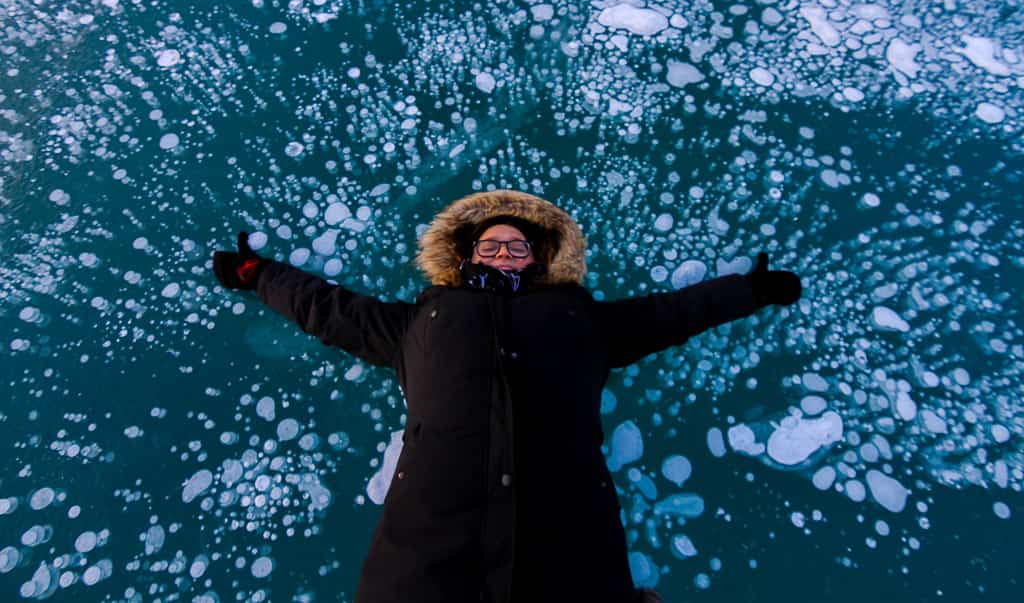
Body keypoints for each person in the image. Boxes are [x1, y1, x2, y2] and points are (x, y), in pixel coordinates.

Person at [213, 189, 802, 603]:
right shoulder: (418, 322)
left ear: (540, 259)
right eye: (490, 247)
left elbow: (672, 313)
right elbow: (327, 308)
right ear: (466, 257)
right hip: (428, 552)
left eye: (516, 248)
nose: (503, 255)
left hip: (570, 549)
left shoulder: (583, 319)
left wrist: (748, 289)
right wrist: (257, 273)